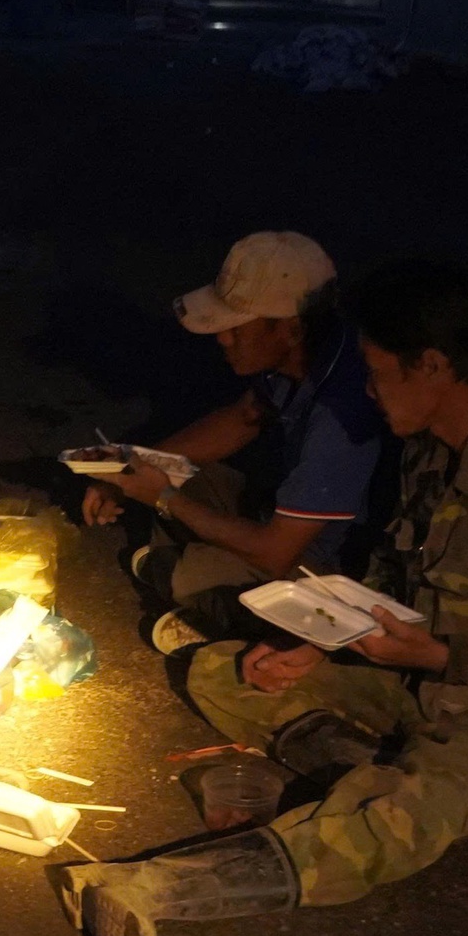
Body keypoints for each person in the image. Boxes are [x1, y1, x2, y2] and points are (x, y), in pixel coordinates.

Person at [58, 260, 468, 936]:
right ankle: (361, 769)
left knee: (409, 811)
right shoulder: (434, 445)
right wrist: (318, 642)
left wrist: (437, 657)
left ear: (431, 365)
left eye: (377, 370)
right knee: (223, 672)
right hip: (418, 678)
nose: (364, 388)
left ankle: (145, 891)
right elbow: (397, 575)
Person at [83, 232, 387, 653]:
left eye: (235, 327)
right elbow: (243, 418)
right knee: (179, 473)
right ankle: (197, 583)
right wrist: (125, 465)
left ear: (290, 329)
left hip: (330, 570)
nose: (222, 337)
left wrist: (165, 498)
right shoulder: (303, 354)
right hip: (286, 522)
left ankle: (245, 623)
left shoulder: (343, 412)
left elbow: (276, 553)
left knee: (183, 572)